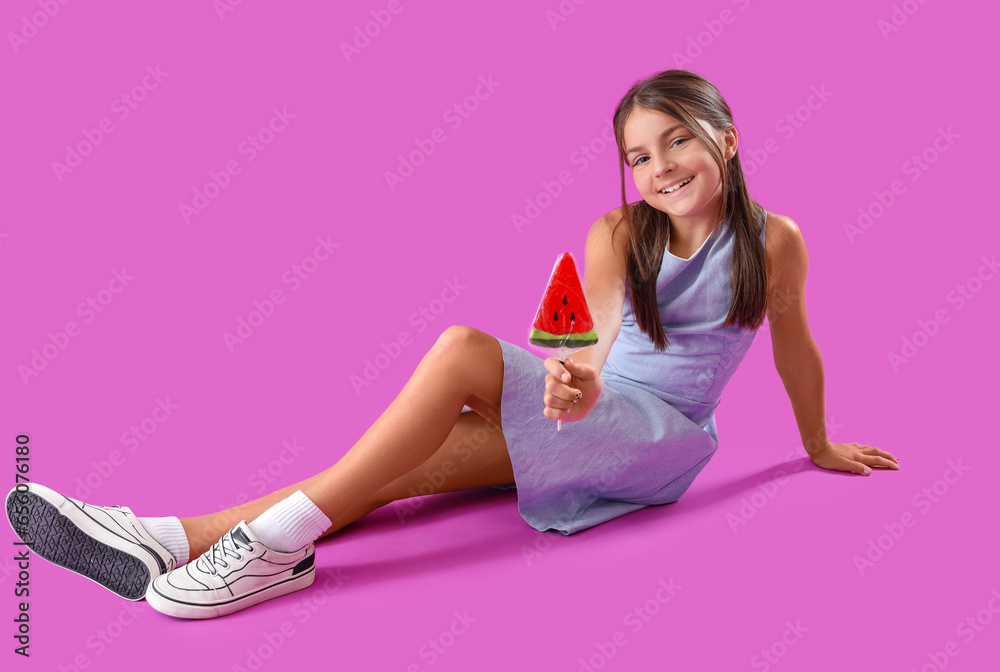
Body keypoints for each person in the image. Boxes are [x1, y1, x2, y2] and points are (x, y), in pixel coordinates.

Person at [5, 68, 899, 620]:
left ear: (729, 142)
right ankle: (173, 538)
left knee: (464, 350)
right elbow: (588, 341)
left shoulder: (775, 239)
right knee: (397, 463)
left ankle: (262, 546)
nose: (659, 165)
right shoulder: (617, 230)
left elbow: (797, 348)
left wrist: (815, 445)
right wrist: (569, 385)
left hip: (660, 439)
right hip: (598, 411)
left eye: (678, 141)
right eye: (637, 153)